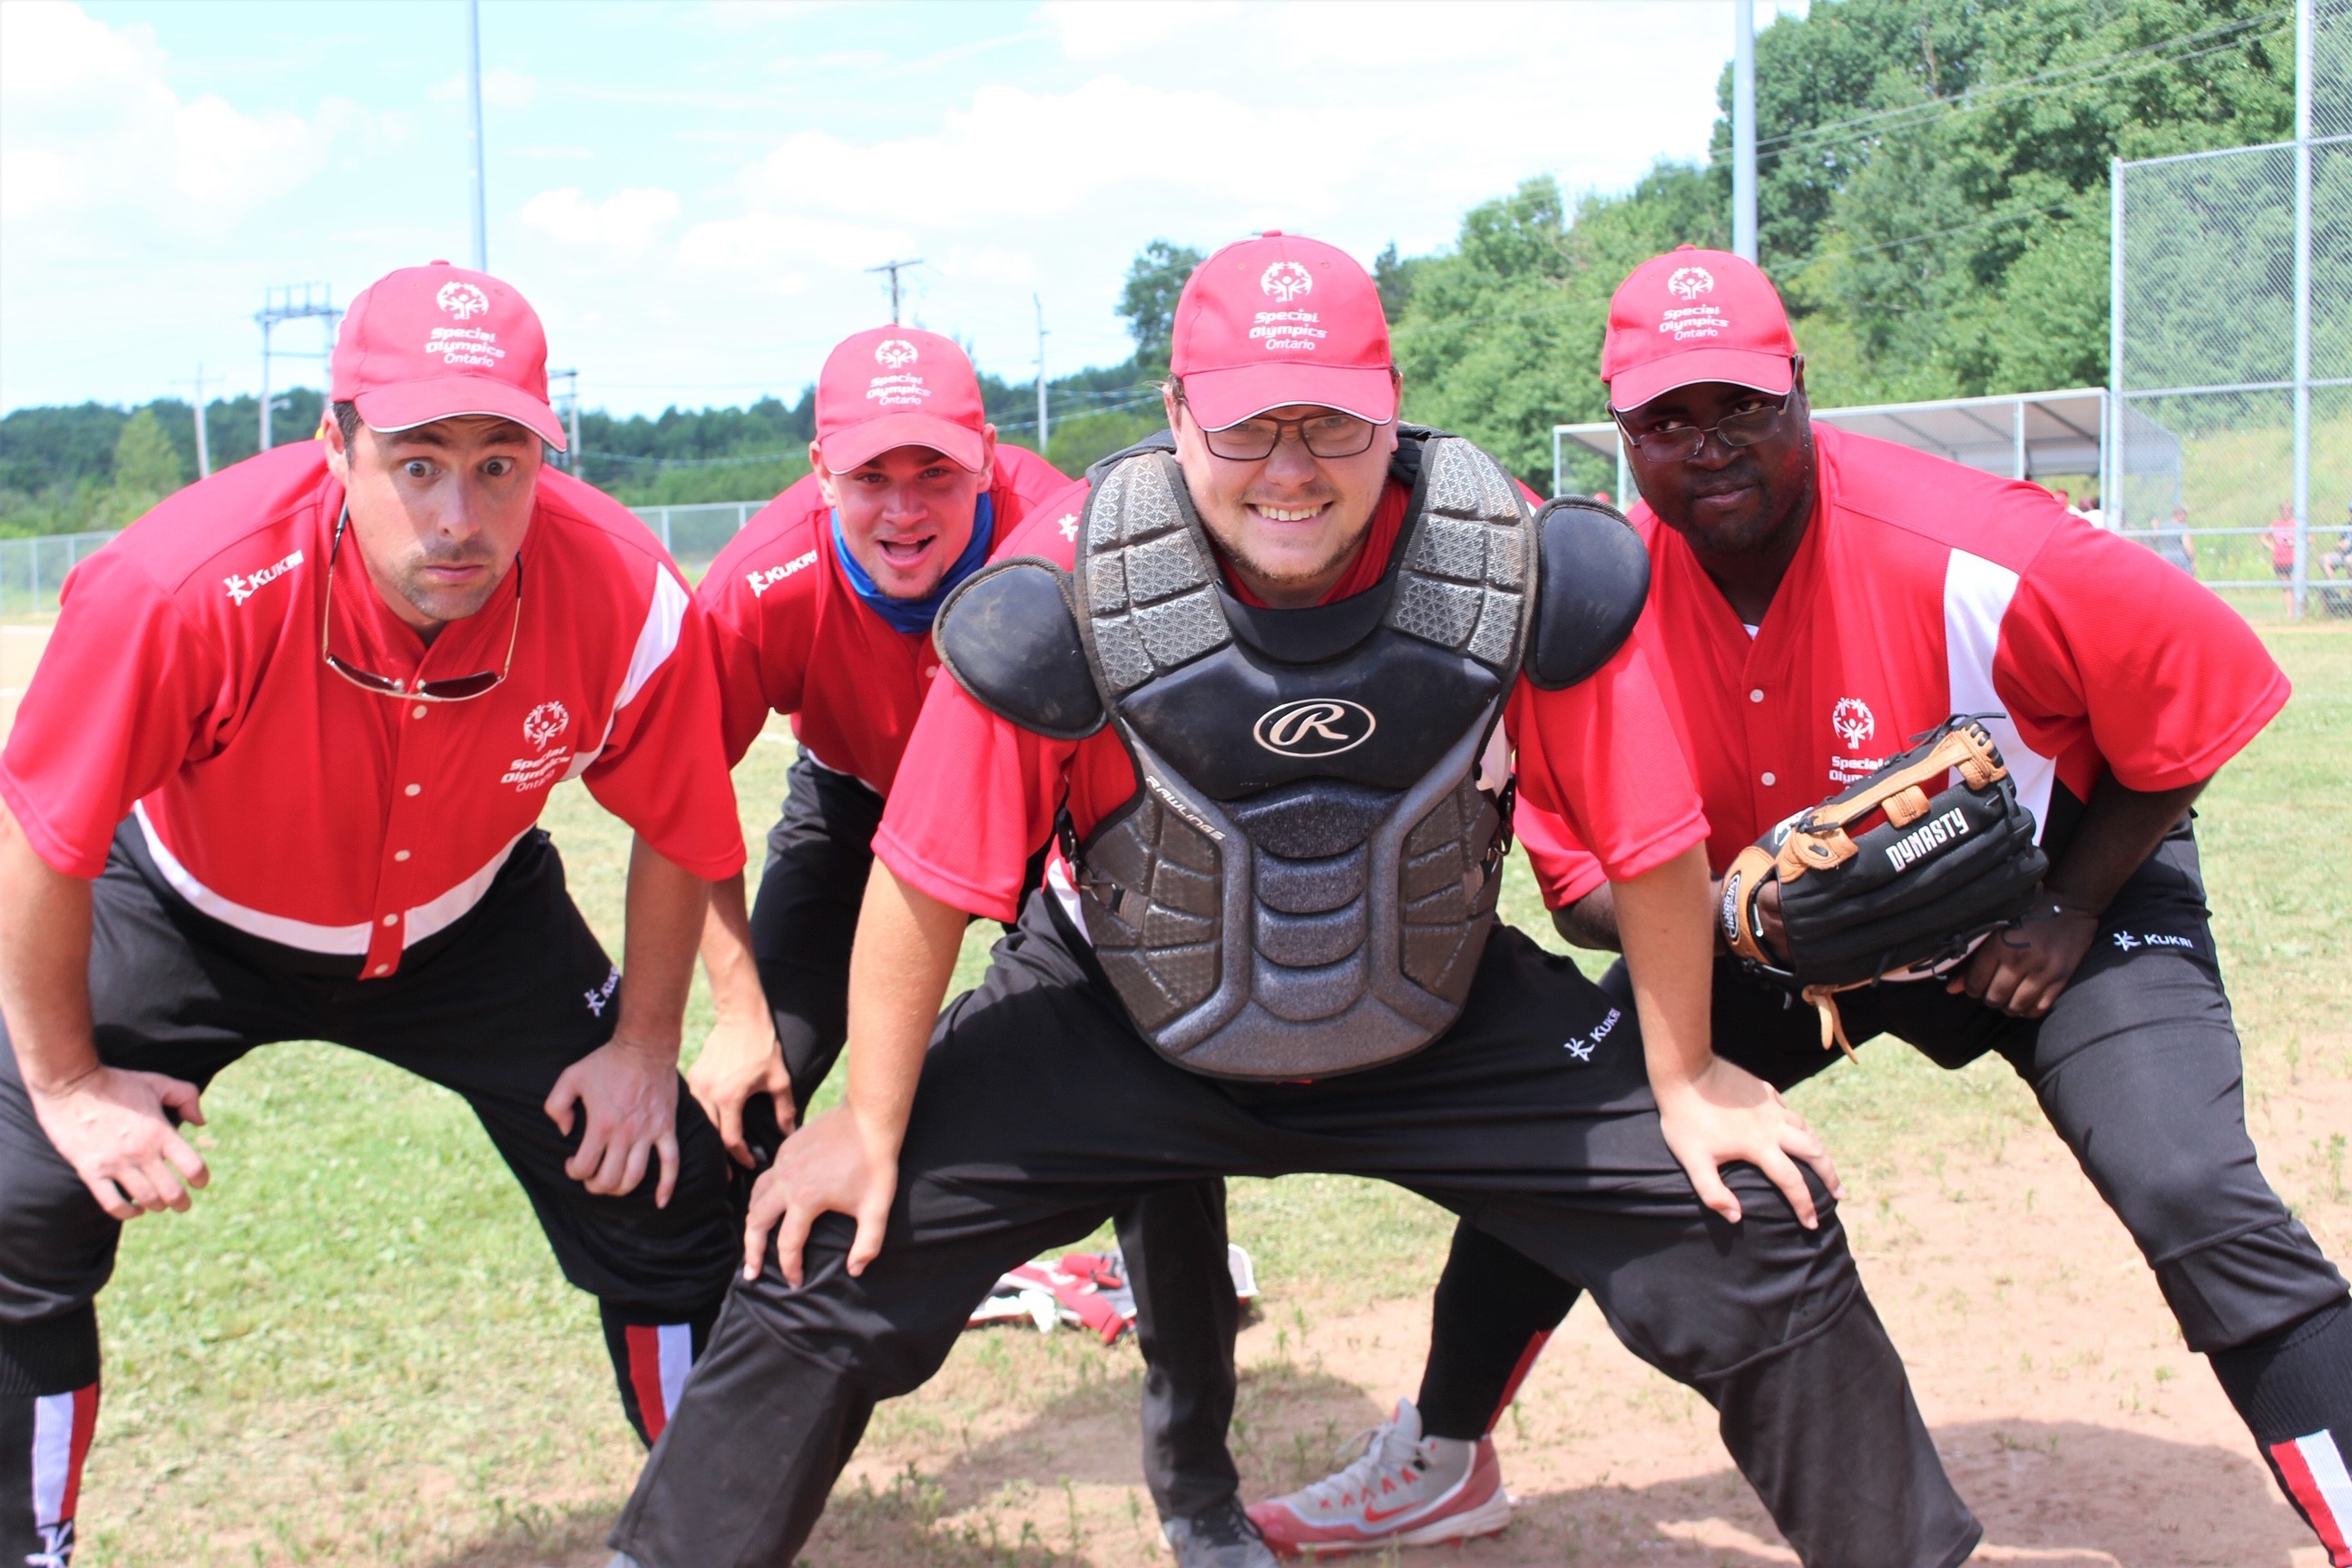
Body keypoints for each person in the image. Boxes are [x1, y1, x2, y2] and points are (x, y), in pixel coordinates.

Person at [607, 232, 1979, 1568]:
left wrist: (1684, 1079)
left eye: (1331, 427)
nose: (1290, 470)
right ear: (1176, 416)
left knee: (1753, 1222)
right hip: (1116, 1011)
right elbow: (926, 884)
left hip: (1435, 1002)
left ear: (1391, 414)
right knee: (829, 1246)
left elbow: (1650, 841)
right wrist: (869, 1124)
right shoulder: (1065, 583)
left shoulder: (1504, 558)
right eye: (1250, 428)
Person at [1255, 246, 2352, 1566]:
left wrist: (2069, 904)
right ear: (1622, 427)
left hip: (2051, 900)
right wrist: (1742, 926)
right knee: (1568, 1136)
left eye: (1742, 407)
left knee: (2189, 1185)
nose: (1707, 444)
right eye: (1667, 417)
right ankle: (1440, 1458)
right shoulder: (1597, 602)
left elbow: (2205, 690)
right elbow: (1589, 888)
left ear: (1801, 393)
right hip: (1773, 934)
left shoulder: (1977, 545)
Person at [0, 263, 750, 1564]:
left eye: (500, 465)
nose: (459, 517)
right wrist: (65, 1083)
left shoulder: (625, 591)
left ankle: (706, 1540)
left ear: (542, 455)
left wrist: (641, 1050)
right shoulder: (178, 588)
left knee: (667, 1194)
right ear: (335, 444)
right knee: (13, 1202)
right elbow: (39, 839)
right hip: (188, 905)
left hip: (471, 920)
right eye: (417, 464)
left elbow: (677, 824)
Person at [688, 326, 1253, 1561]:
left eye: (934, 474)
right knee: (741, 1099)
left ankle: (1197, 1487)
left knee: (1155, 1110)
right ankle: (719, 1434)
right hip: (856, 814)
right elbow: (679, 801)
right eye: (871, 477)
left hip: (1053, 825)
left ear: (987, 461)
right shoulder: (760, 580)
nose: (903, 509)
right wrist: (736, 1013)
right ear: (819, 469)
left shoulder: (1066, 538)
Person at [2269, 499, 2299, 615]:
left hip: (2293, 560)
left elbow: (2310, 538)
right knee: (2287, 588)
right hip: (2280, 560)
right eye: (2284, 510)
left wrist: (2295, 543)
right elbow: (2263, 537)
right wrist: (2273, 547)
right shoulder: (2276, 524)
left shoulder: (2296, 523)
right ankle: (2290, 614)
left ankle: (2299, 612)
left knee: (2295, 586)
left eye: (2289, 510)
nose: (2286, 512)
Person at [2156, 504, 2197, 573]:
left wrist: (2156, 527)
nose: (2186, 516)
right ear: (2179, 515)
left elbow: (2156, 538)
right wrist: (2193, 561)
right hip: (2180, 559)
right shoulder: (2183, 527)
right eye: (2184, 514)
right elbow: (2188, 547)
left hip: (2164, 557)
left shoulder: (2163, 525)